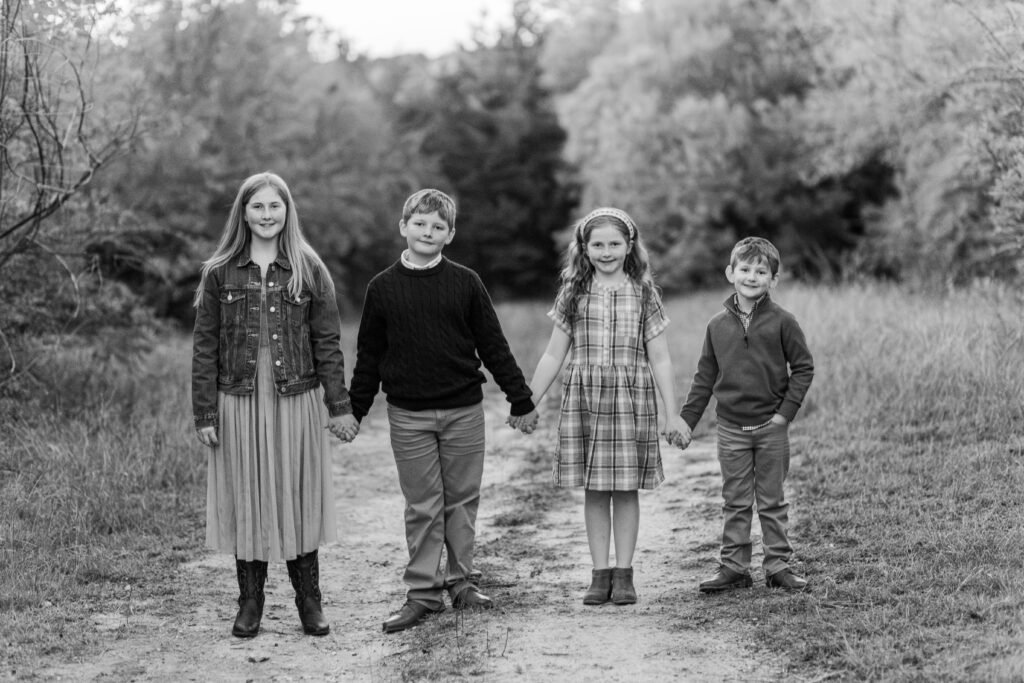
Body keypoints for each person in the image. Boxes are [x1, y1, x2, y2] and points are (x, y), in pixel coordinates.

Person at [343, 188, 539, 634]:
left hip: (463, 411)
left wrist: (520, 398)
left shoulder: (466, 283)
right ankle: (423, 593)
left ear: (449, 235)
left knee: (461, 501)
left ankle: (461, 582)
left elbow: (493, 344)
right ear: (403, 227)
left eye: (437, 227)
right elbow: (369, 355)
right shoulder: (382, 288)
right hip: (408, 415)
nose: (427, 232)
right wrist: (354, 410)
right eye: (420, 224)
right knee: (422, 505)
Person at [191, 172, 356, 638]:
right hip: (239, 397)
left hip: (295, 394)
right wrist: (205, 411)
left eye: (275, 206)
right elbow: (204, 345)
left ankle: (309, 599)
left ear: (288, 211)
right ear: (243, 212)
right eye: (258, 207)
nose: (267, 215)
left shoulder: (308, 267)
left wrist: (338, 405)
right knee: (248, 492)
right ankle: (250, 601)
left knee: (296, 490)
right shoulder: (219, 270)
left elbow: (327, 341)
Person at [522, 207, 688, 606]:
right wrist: (527, 400)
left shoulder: (645, 293)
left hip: (631, 400)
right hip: (587, 401)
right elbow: (552, 355)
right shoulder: (573, 293)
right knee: (596, 491)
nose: (607, 251)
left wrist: (672, 412)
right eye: (598, 244)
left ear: (630, 246)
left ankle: (625, 573)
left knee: (625, 490)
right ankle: (599, 573)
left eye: (615, 244)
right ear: (584, 247)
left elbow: (661, 358)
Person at [678, 236, 814, 593]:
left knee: (772, 501)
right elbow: (705, 377)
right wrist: (686, 420)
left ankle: (778, 566)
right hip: (731, 430)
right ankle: (735, 567)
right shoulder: (716, 326)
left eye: (761, 271)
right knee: (735, 500)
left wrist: (785, 414)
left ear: (773, 279)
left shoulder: (784, 322)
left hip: (771, 427)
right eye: (745, 269)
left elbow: (803, 367)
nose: (752, 276)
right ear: (730, 273)